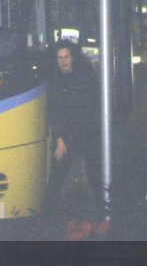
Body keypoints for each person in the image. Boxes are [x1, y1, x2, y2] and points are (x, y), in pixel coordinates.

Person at [46, 40, 110, 239]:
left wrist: (63, 137)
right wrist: (59, 138)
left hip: (87, 134)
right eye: (60, 58)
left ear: (72, 57)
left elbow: (85, 110)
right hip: (67, 137)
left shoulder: (84, 78)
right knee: (55, 177)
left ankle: (102, 218)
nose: (63, 61)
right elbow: (54, 111)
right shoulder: (54, 80)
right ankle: (54, 220)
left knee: (95, 177)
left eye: (66, 57)